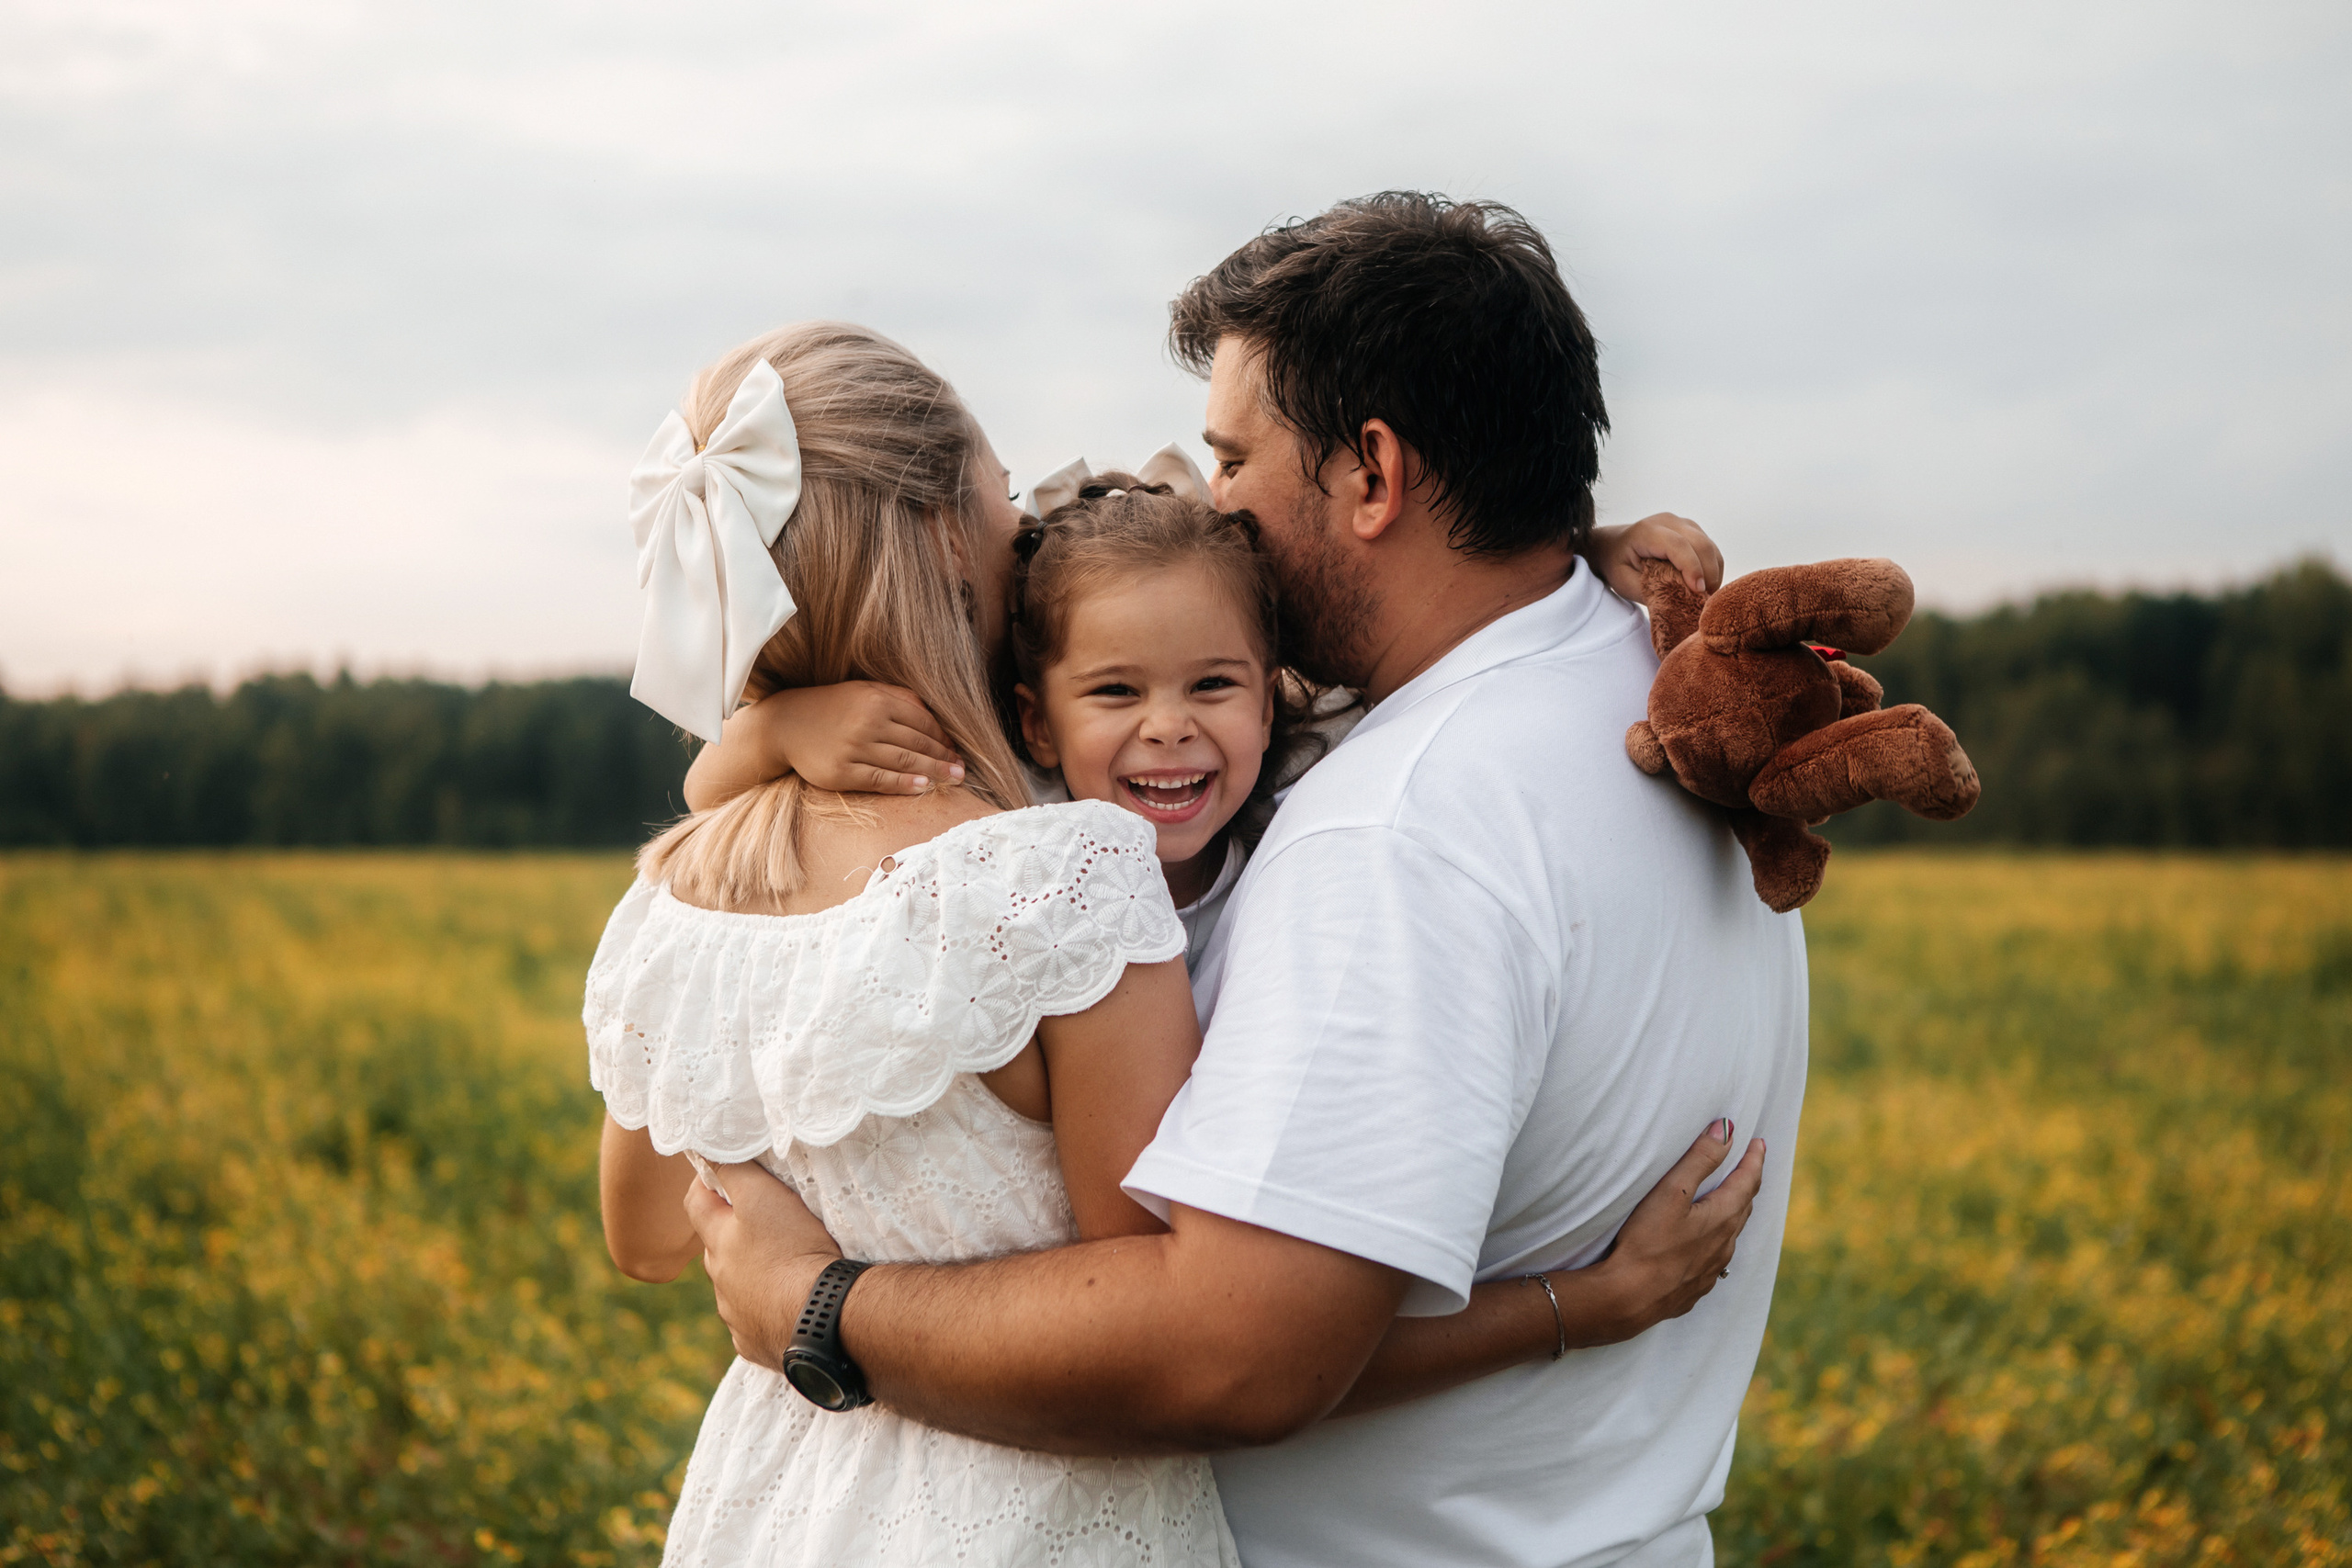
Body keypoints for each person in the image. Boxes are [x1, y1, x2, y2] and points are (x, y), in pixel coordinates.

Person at [684, 192, 1811, 1568]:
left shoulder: (1395, 830)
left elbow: (1235, 1361)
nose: (1212, 507)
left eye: (1233, 459)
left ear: (1374, 473)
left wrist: (819, 1309)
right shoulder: (1644, 692)